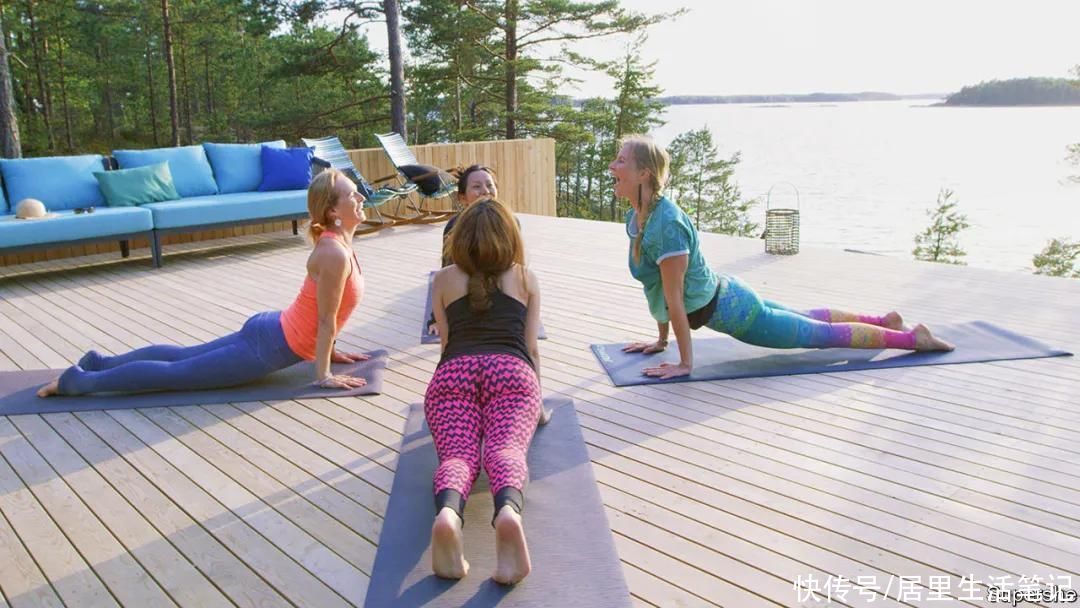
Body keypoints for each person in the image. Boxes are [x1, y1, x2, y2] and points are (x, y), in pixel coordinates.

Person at [610, 134, 954, 381]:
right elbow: (657, 287)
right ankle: (885, 320)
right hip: (730, 297)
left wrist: (685, 364)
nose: (613, 166)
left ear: (644, 174)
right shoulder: (640, 217)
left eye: (621, 160)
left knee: (819, 336)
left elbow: (674, 297)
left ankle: (912, 339)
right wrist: (660, 341)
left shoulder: (666, 226)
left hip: (737, 313)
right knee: (807, 319)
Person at [37, 168, 370, 397]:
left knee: (183, 358)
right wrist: (323, 375)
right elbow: (325, 320)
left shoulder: (339, 244)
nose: (361, 198)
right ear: (331, 212)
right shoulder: (334, 253)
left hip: (272, 329)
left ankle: (99, 363)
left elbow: (327, 312)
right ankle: (78, 382)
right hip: (268, 345)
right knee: (178, 374)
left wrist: (331, 352)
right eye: (352, 195)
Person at [425, 198, 542, 585]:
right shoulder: (525, 278)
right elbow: (531, 348)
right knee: (504, 449)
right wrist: (536, 405)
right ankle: (507, 511)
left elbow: (445, 345)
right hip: (510, 372)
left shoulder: (442, 280)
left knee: (458, 455)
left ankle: (448, 515)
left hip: (453, 374)